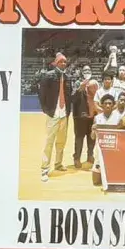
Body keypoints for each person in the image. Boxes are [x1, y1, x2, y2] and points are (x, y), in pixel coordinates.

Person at [38, 51, 73, 182]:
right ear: (56, 63)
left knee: (61, 141)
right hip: (53, 114)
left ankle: (58, 163)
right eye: (61, 61)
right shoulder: (48, 76)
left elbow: (69, 95)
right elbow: (41, 94)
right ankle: (44, 169)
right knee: (49, 142)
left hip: (64, 114)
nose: (63, 63)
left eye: (65, 62)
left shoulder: (68, 77)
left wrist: (68, 112)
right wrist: (46, 110)